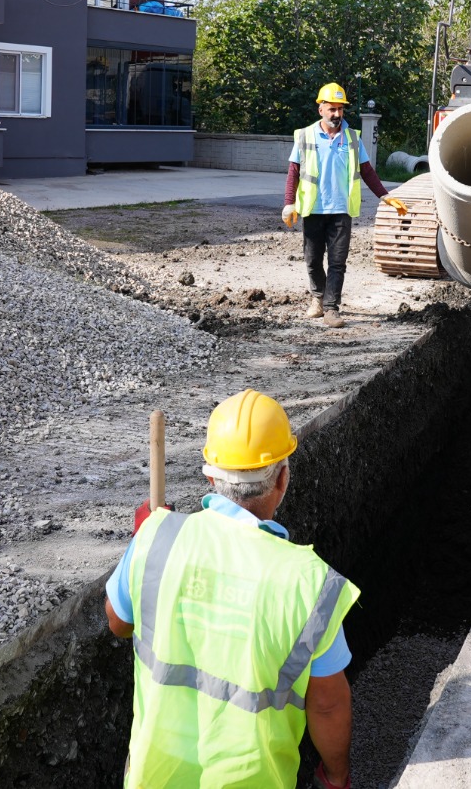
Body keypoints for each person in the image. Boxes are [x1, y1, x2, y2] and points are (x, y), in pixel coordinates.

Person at [105, 390, 360, 789]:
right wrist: (336, 777)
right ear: (282, 477)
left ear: (209, 475)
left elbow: (119, 623)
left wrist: (141, 549)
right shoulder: (308, 584)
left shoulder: (158, 539)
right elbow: (327, 705)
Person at [281, 83, 407, 329]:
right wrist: (289, 203)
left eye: (340, 109)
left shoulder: (352, 137)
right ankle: (318, 298)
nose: (336, 114)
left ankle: (331, 309)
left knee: (338, 262)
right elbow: (293, 172)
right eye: (331, 109)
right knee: (313, 260)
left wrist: (384, 195)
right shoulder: (306, 136)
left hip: (341, 210)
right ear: (321, 110)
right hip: (313, 209)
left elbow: (367, 171)